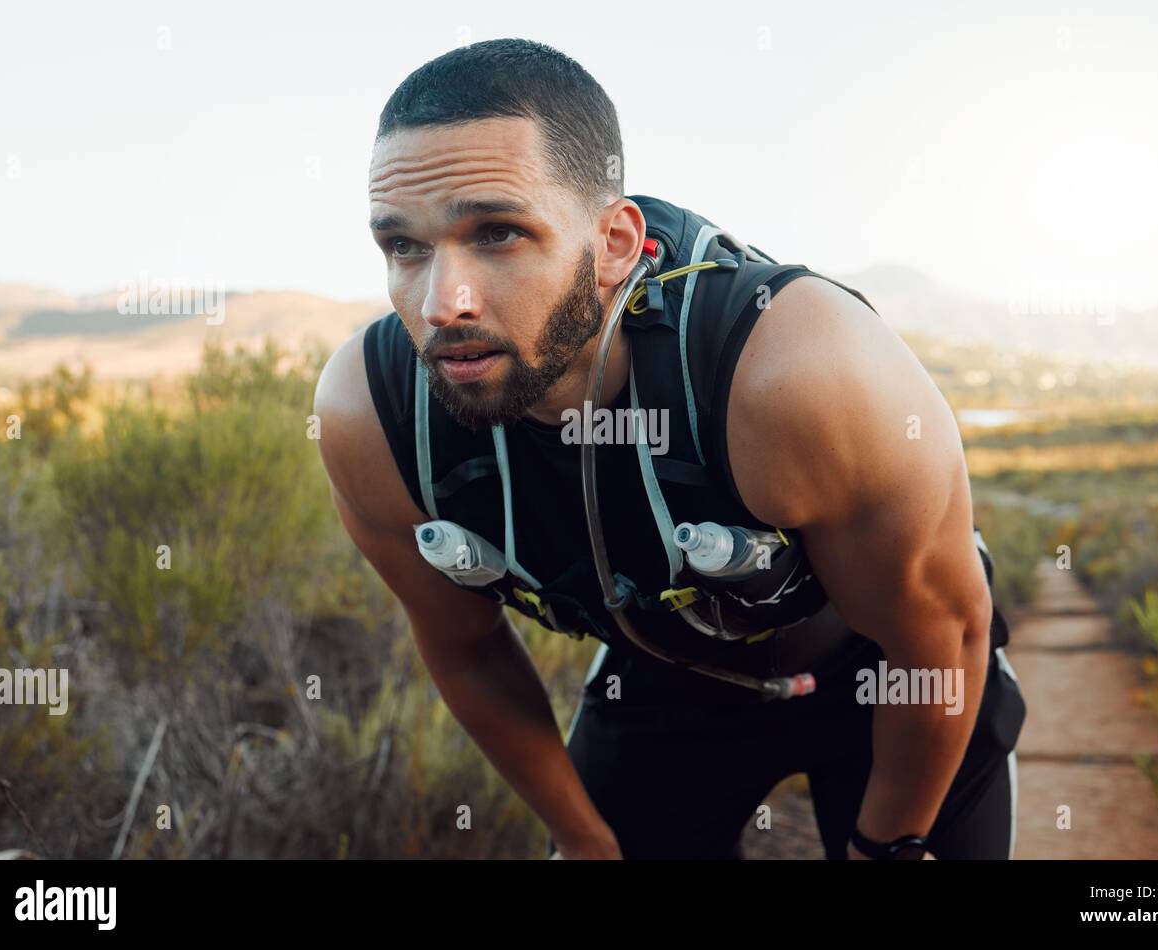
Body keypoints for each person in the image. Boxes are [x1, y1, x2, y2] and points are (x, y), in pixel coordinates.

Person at [313, 38, 1026, 860]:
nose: (443, 303)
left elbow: (941, 633)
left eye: (499, 232)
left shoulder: (797, 373)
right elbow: (468, 651)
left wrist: (888, 846)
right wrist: (585, 843)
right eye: (404, 247)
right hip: (664, 674)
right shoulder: (374, 415)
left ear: (615, 244)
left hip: (883, 670)